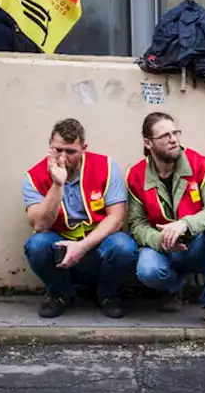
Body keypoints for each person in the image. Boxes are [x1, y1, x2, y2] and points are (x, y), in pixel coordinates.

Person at [127, 112, 205, 334]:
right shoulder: (136, 175)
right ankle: (174, 287)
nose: (174, 139)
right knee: (147, 270)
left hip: (195, 244)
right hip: (163, 249)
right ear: (148, 143)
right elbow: (137, 225)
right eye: (165, 135)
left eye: (175, 133)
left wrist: (185, 224)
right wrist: (162, 240)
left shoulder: (200, 164)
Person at [23, 118, 136, 319]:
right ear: (50, 145)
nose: (63, 157)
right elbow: (40, 225)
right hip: (59, 246)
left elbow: (116, 218)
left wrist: (82, 246)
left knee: (124, 246)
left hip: (98, 243)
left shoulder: (107, 167)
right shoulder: (33, 176)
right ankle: (60, 294)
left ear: (83, 148)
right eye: (58, 150)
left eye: (71, 151)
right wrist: (57, 184)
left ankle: (108, 295)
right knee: (36, 245)